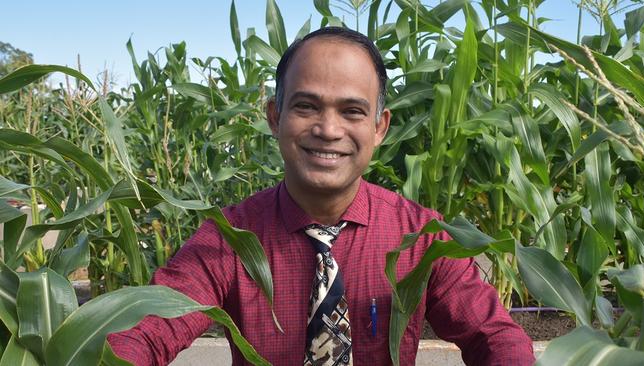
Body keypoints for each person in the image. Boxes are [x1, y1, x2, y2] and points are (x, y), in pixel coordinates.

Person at [109, 27, 534, 365]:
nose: (328, 130)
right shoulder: (228, 239)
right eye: (306, 107)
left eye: (352, 111)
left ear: (380, 127)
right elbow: (148, 330)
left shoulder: (421, 237)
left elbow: (494, 338)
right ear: (275, 118)